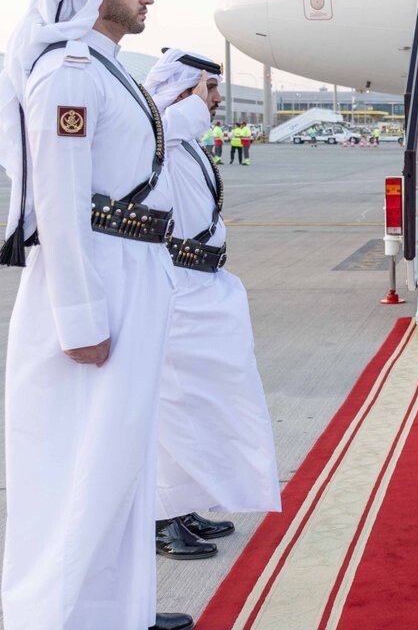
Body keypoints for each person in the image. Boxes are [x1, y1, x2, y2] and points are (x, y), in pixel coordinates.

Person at [0, 0, 203, 630]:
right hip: (98, 282)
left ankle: (119, 612)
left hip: (130, 272)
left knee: (121, 459)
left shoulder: (108, 71)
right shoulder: (68, 73)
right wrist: (80, 318)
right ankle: (57, 617)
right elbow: (58, 202)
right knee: (80, 462)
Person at [144, 49, 281, 562]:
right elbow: (157, 127)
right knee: (173, 410)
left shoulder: (188, 141)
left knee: (201, 408)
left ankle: (184, 504)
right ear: (181, 92)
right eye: (209, 89)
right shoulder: (156, 135)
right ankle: (160, 517)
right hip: (176, 292)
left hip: (203, 286)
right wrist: (187, 105)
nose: (217, 100)